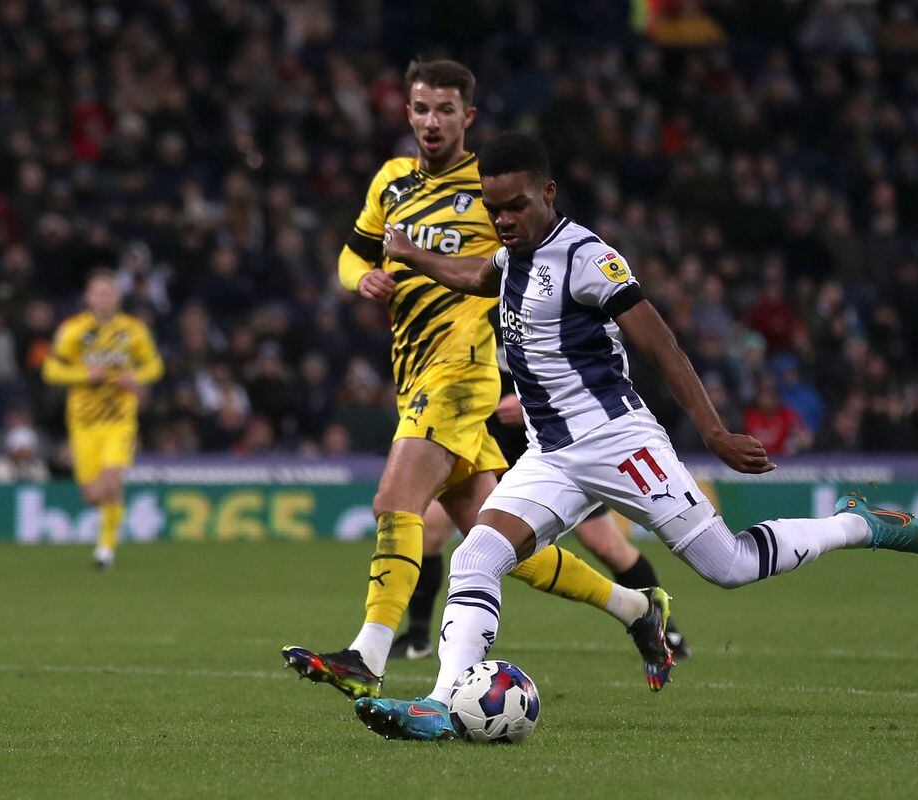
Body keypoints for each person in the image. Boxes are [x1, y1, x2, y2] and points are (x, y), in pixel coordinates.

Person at [356, 132, 918, 741]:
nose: (503, 219)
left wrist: (711, 429)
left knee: (729, 565)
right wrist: (414, 256)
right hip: (551, 455)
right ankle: (441, 703)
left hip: (618, 443)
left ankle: (857, 523)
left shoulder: (586, 256)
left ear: (548, 193)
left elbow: (660, 343)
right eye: (491, 207)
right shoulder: (511, 256)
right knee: (478, 554)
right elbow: (478, 275)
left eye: (516, 206)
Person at [282, 61, 671, 701]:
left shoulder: (491, 188)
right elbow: (353, 255)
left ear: (469, 117)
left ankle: (366, 654)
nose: (430, 121)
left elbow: (530, 260)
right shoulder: (391, 181)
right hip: (411, 368)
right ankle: (635, 607)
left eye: (444, 109)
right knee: (496, 540)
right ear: (406, 112)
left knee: (393, 502)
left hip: (463, 365)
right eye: (420, 108)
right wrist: (365, 280)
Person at [392, 390, 691, 662]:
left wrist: (528, 404)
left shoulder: (547, 329)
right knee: (431, 528)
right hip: (487, 447)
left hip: (553, 451)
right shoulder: (472, 331)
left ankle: (665, 629)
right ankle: (417, 639)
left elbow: (592, 376)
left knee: (606, 545)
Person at [42, 270, 163, 568]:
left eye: (109, 293)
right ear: (88, 298)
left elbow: (155, 366)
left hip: (119, 419)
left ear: (118, 298)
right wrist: (85, 375)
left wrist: (134, 377)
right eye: (98, 293)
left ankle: (105, 549)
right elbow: (51, 371)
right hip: (83, 422)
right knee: (92, 494)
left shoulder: (133, 330)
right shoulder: (72, 330)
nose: (104, 299)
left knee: (111, 478)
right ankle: (108, 536)